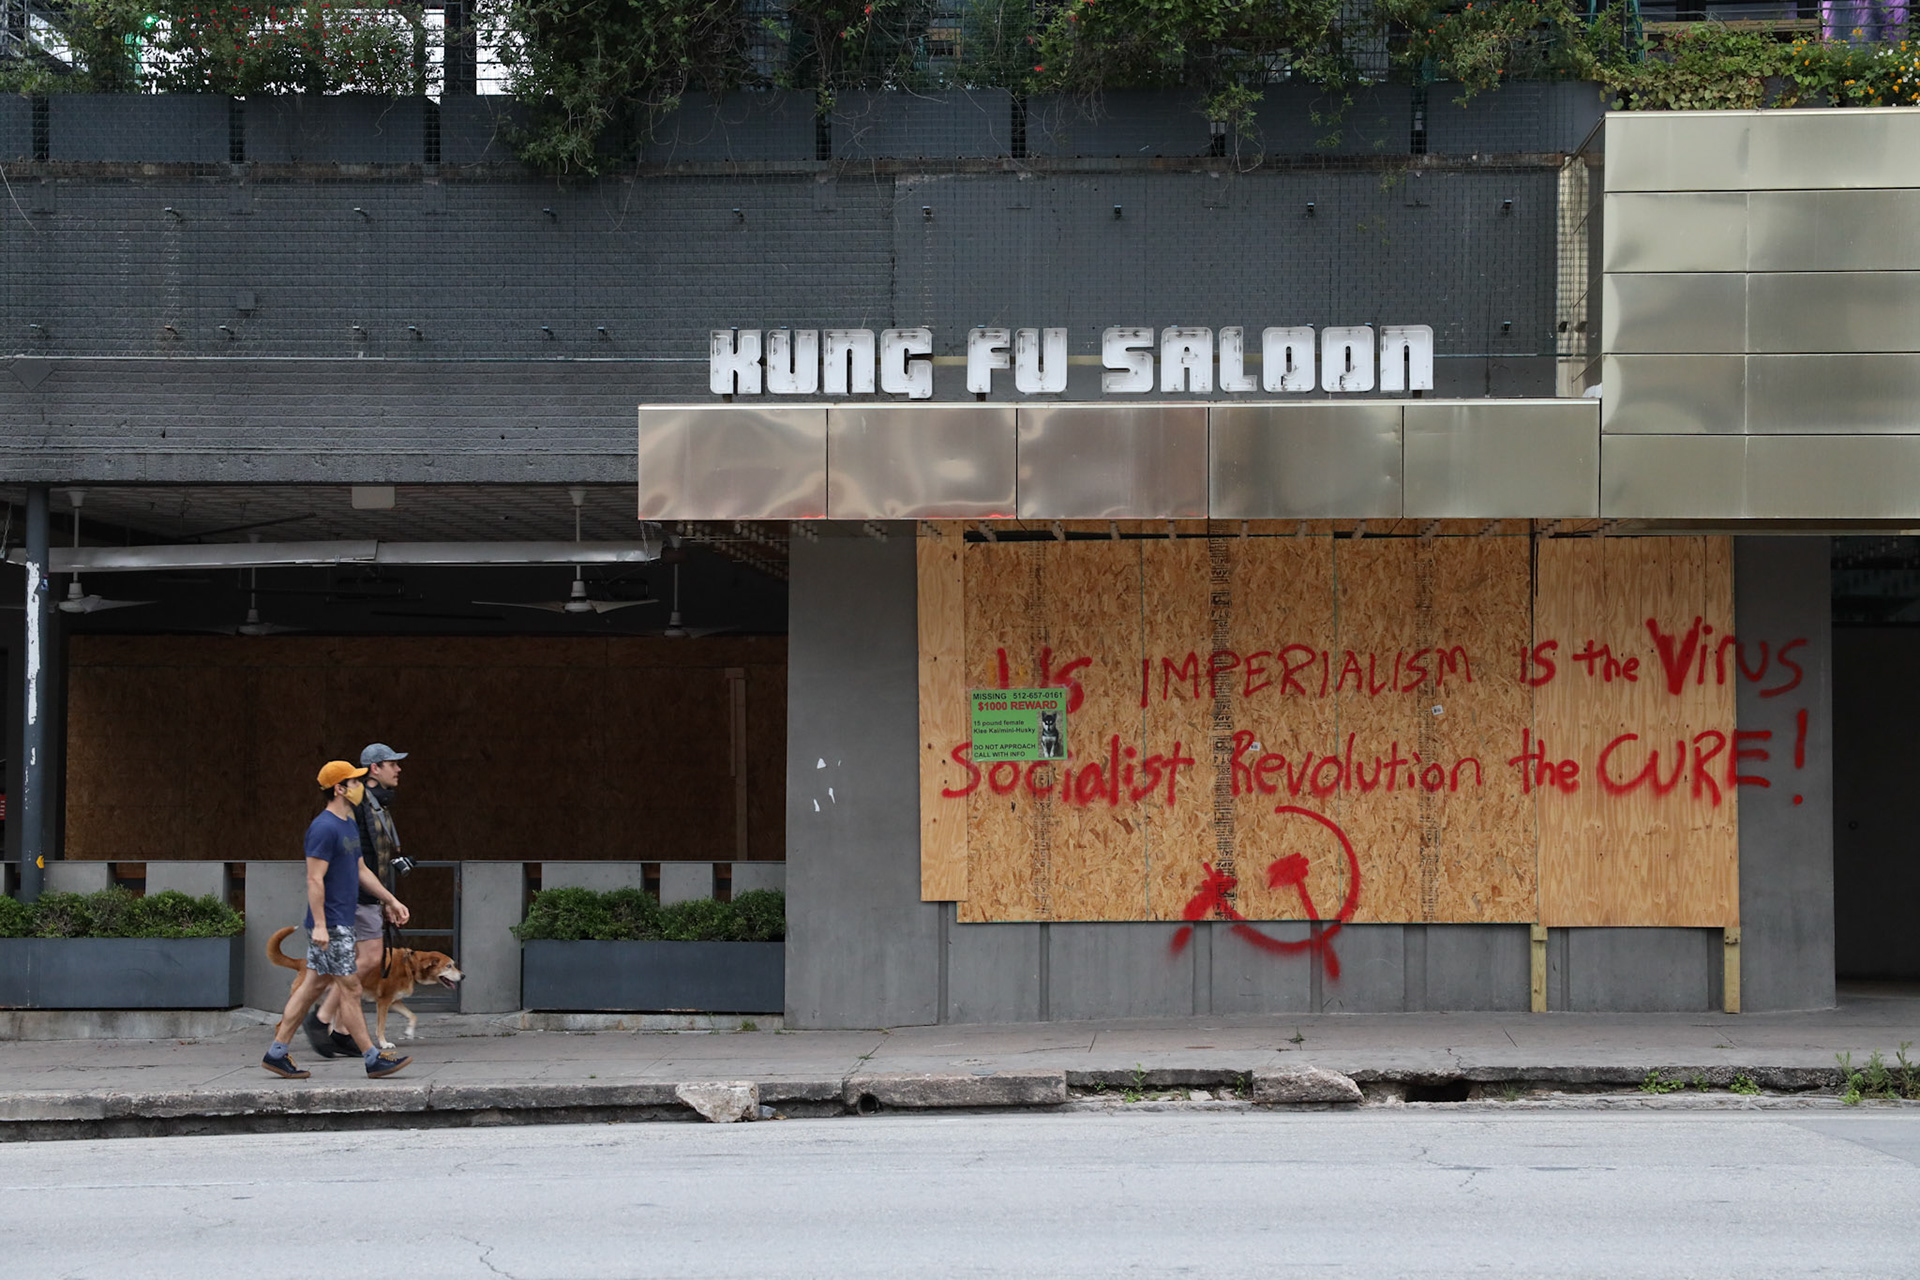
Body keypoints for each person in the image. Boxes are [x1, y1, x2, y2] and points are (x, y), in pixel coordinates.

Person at [262, 761, 413, 1080]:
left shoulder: (347, 825)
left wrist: (391, 899)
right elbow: (314, 880)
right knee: (350, 989)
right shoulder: (324, 827)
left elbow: (361, 871)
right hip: (331, 924)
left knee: (310, 989)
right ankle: (372, 1058)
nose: (361, 785)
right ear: (338, 789)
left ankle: (276, 1053)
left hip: (339, 921)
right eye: (355, 782)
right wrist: (319, 925)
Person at [305, 742, 410, 1057]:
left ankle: (337, 1029)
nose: (399, 769)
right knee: (360, 961)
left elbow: (370, 856)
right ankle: (322, 1021)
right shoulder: (358, 806)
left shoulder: (373, 805)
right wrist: (383, 898)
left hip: (362, 893)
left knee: (346, 967)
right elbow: (358, 859)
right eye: (392, 763)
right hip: (354, 895)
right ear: (375, 769)